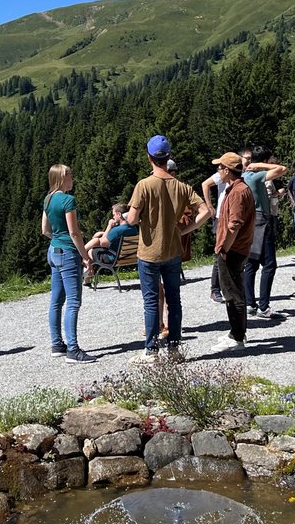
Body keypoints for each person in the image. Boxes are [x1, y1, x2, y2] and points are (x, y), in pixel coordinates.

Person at [124, 135, 209, 363]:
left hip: (149, 252)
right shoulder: (182, 186)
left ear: (149, 157)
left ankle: (151, 351)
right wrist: (184, 230)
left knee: (151, 301)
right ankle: (174, 349)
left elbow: (132, 219)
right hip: (173, 251)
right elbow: (206, 212)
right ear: (168, 157)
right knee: (174, 300)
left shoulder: (144, 185)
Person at [41, 164, 95, 363]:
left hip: (53, 252)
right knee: (73, 301)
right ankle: (73, 350)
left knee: (56, 301)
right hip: (68, 254)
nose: (73, 178)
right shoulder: (68, 200)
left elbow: (45, 229)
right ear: (62, 177)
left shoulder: (48, 199)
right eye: (70, 175)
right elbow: (74, 232)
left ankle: (57, 345)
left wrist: (57, 239)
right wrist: (85, 256)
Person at [209, 152, 255, 352]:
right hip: (237, 247)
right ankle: (235, 332)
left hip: (233, 249)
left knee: (232, 293)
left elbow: (234, 224)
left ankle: (237, 337)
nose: (218, 171)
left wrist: (224, 248)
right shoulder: (237, 188)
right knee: (233, 291)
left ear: (227, 170)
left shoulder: (237, 192)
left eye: (220, 167)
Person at [240, 146, 287, 319]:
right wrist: (261, 165)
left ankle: (250, 304)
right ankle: (264, 307)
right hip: (262, 220)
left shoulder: (244, 175)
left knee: (251, 263)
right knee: (269, 264)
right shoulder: (257, 175)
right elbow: (282, 169)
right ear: (265, 160)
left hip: (249, 221)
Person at [84, 202, 137, 280]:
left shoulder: (116, 230)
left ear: (119, 214)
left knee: (90, 251)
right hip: (130, 258)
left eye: (114, 215)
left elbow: (103, 243)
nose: (113, 217)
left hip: (113, 258)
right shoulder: (133, 228)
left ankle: (87, 278)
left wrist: (109, 226)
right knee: (95, 241)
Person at [202, 164, 229, 303]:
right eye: (246, 158)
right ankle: (215, 290)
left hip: (235, 217)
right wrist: (210, 206)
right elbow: (205, 184)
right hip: (221, 217)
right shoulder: (223, 173)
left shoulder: (244, 173)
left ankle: (229, 289)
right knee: (220, 253)